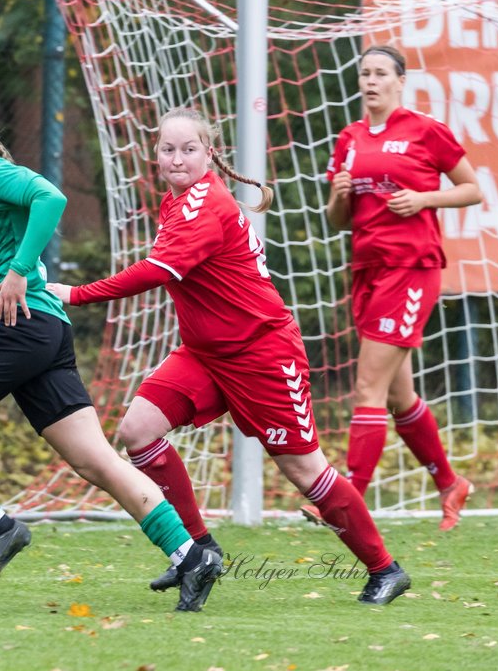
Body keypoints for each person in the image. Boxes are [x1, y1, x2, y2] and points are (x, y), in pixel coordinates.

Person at [48, 106, 411, 605]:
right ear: (156, 155)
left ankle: (385, 569)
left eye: (189, 149)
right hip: (205, 354)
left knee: (304, 472)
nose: (177, 159)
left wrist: (74, 294)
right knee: (138, 431)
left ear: (209, 154)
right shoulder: (174, 202)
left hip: (262, 353)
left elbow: (156, 272)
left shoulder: (205, 206)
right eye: (168, 150)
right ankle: (200, 552)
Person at [0, 88, 223, 609]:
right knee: (95, 461)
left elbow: (51, 197)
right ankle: (190, 555)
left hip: (19, 326)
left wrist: (19, 270)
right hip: (37, 331)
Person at [315, 44, 482, 532]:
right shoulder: (349, 138)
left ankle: (345, 500)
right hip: (367, 269)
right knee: (397, 396)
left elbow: (472, 188)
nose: (371, 81)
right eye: (365, 73)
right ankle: (451, 484)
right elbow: (336, 219)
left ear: (400, 81)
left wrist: (424, 198)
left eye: (381, 73)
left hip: (412, 267)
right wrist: (338, 196)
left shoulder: (425, 130)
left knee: (367, 385)